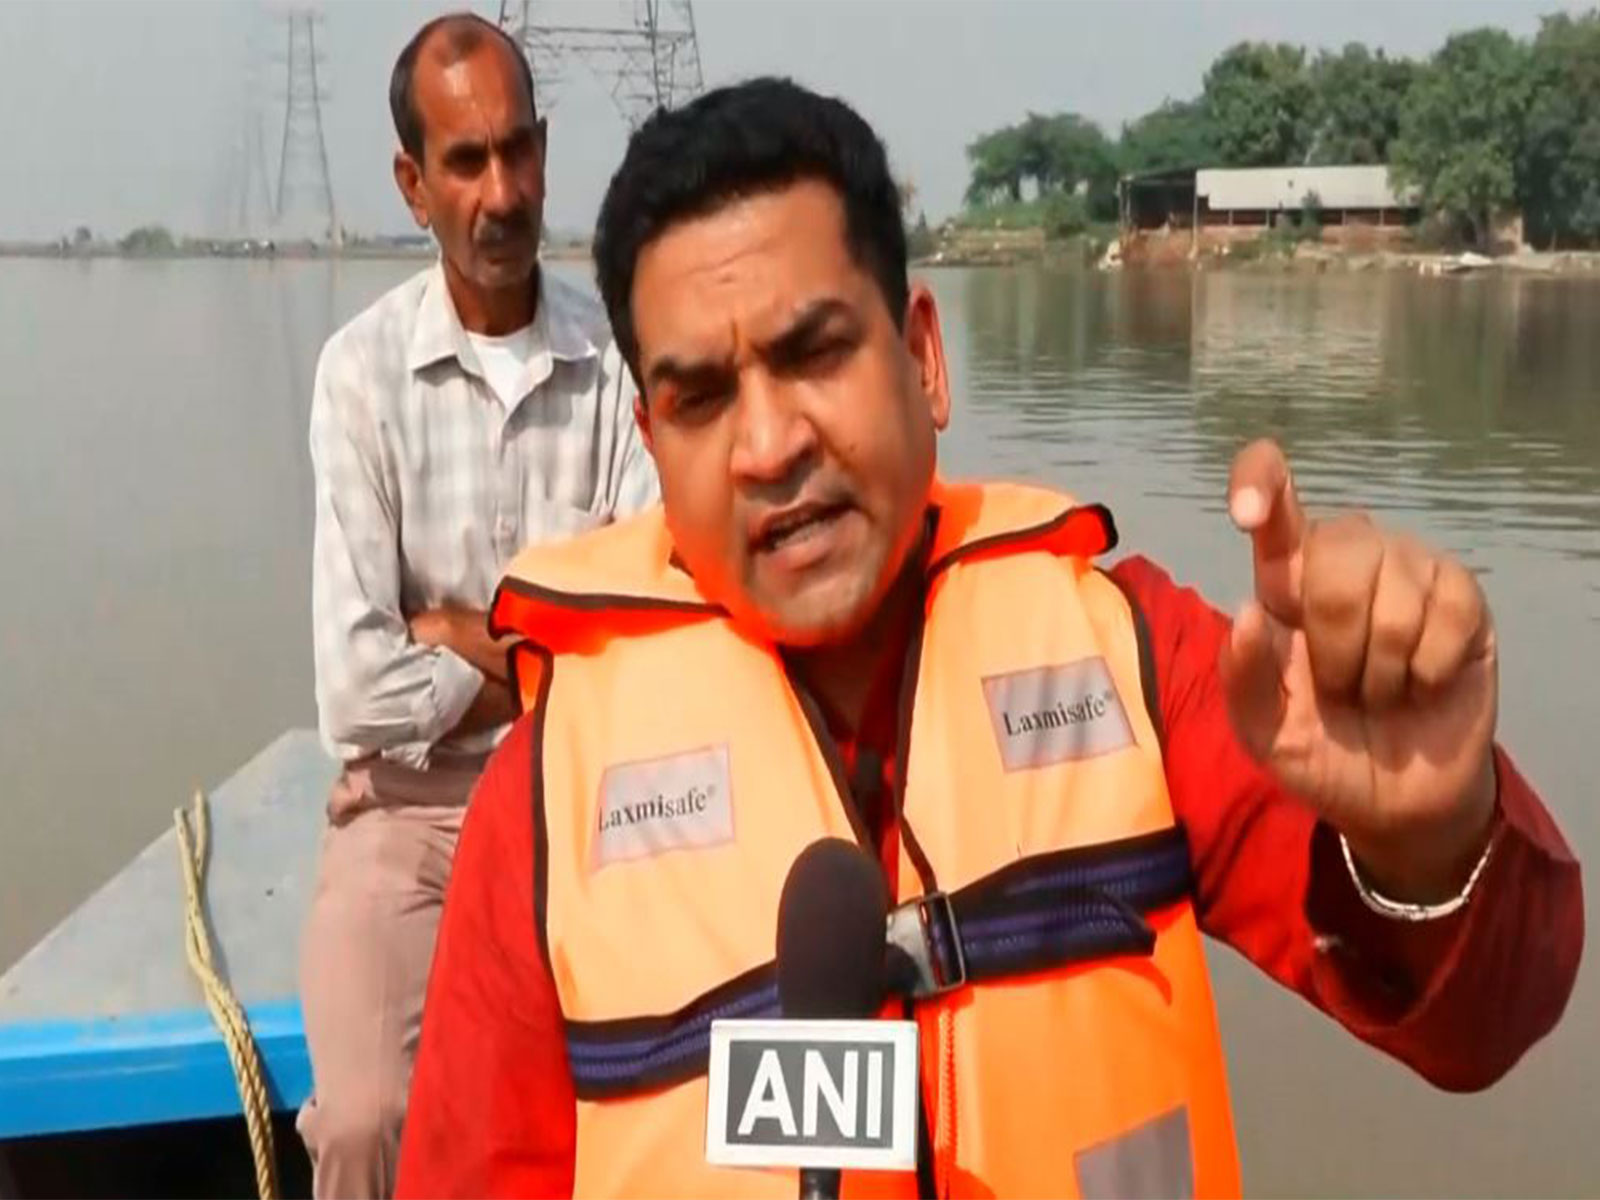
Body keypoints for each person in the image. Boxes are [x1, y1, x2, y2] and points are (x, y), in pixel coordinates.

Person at [394, 78, 1583, 1198]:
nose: (766, 446)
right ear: (652, 444)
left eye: (814, 353)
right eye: (701, 398)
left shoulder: (1136, 659)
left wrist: (1428, 837)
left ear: (921, 356)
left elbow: (1480, 1024)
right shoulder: (541, 804)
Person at [298, 13, 658, 1198]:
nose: (500, 193)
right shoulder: (359, 376)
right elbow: (355, 691)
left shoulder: (622, 365)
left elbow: (648, 638)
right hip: (404, 814)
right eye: (464, 162)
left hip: (586, 801)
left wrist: (463, 631)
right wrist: (546, 639)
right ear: (413, 184)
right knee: (361, 1119)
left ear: (545, 151)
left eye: (516, 152)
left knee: (643, 1084)